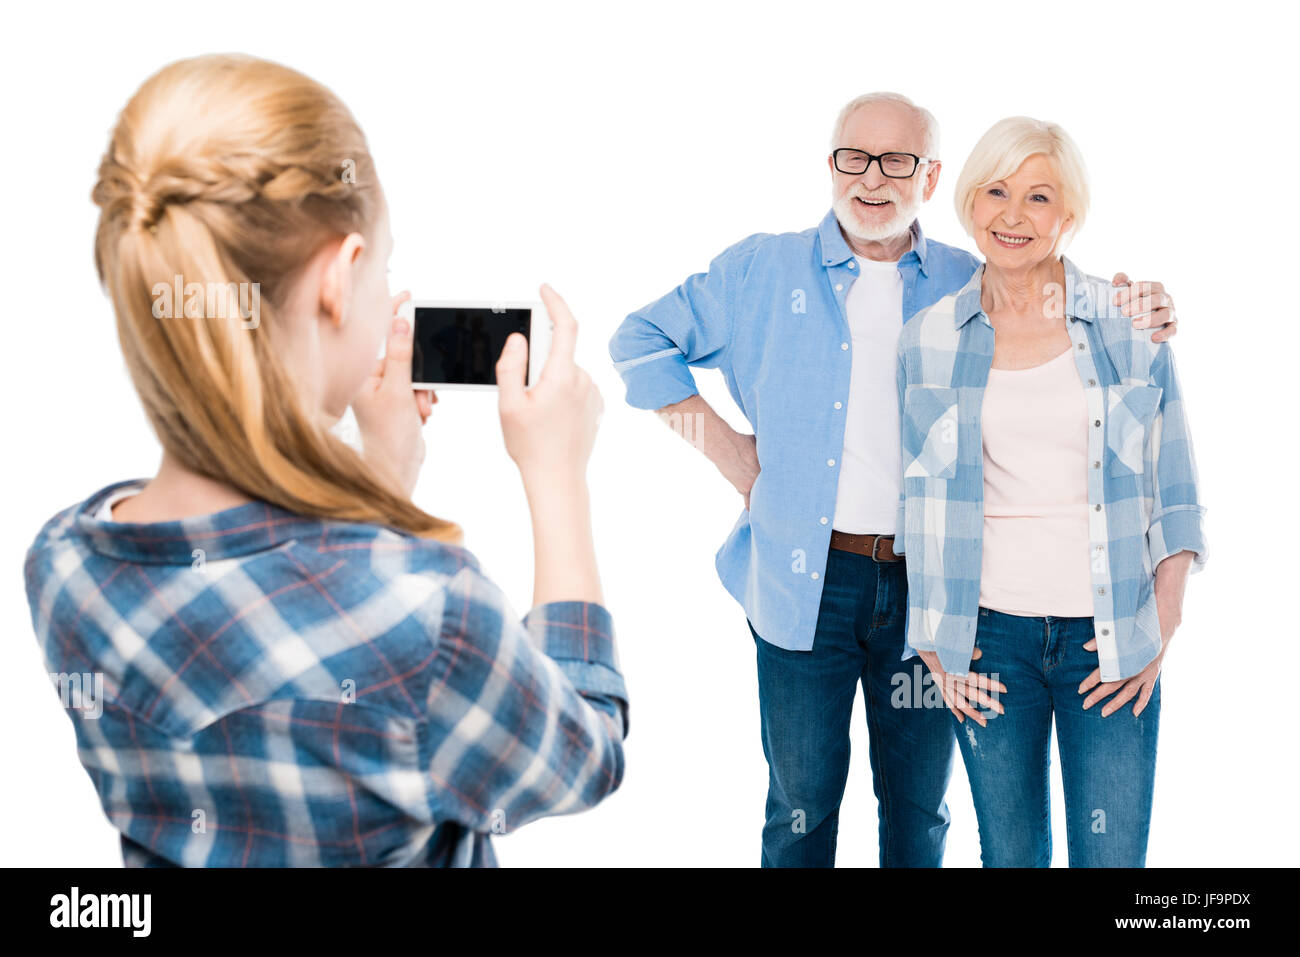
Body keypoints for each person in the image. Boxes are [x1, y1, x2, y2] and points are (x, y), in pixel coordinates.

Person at [23, 53, 627, 867]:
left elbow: (286, 640)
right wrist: (557, 475)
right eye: (382, 265)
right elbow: (583, 751)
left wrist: (379, 478)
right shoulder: (434, 613)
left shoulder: (63, 563)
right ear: (340, 279)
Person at [609, 92, 1178, 867]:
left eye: (897, 161)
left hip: (934, 589)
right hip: (803, 579)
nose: (871, 179)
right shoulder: (762, 270)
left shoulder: (967, 277)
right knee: (801, 805)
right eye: (854, 157)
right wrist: (725, 448)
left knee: (918, 808)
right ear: (830, 165)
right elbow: (638, 343)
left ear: (932, 176)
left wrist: (1139, 306)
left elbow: (1057, 305)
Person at [895, 116, 1206, 867]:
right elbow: (921, 505)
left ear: (1068, 214)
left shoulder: (1128, 322)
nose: (1013, 215)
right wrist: (935, 646)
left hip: (1108, 636)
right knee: (1010, 856)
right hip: (987, 639)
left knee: (1111, 859)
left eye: (1039, 197)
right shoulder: (928, 338)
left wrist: (1163, 620)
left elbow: (1176, 484)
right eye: (997, 191)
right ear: (968, 201)